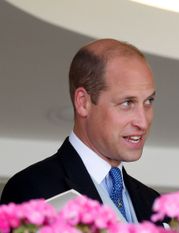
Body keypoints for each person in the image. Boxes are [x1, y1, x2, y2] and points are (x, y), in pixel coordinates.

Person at [1, 39, 160, 224]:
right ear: (83, 102)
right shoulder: (31, 189)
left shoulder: (153, 203)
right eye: (127, 103)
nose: (143, 121)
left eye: (148, 101)